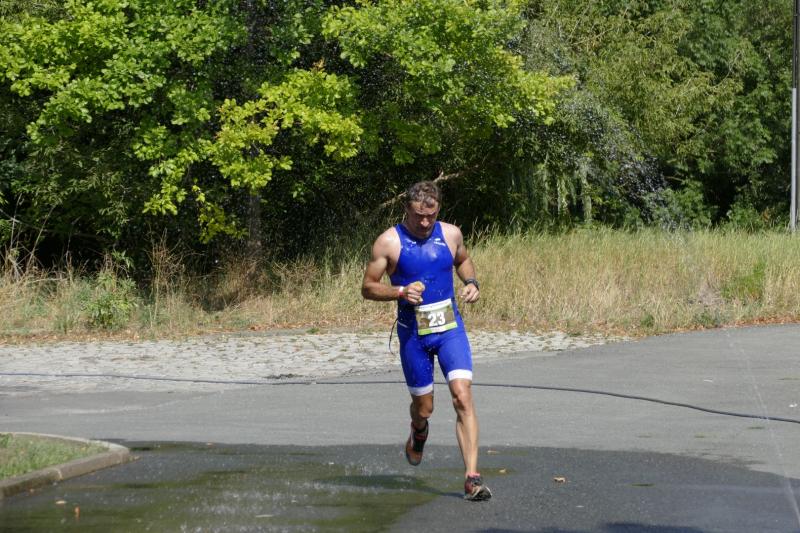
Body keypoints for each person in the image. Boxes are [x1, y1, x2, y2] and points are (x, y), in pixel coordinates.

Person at [361, 180, 492, 501]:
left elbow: (462, 260)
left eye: (430, 216)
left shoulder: (451, 234)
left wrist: (472, 282)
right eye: (418, 216)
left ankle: (472, 478)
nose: (424, 222)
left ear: (438, 210)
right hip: (413, 336)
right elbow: (368, 287)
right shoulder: (389, 242)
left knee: (462, 396)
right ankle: (418, 431)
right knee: (425, 408)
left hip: (450, 330)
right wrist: (400, 291)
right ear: (406, 209)